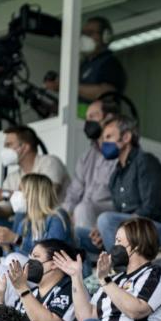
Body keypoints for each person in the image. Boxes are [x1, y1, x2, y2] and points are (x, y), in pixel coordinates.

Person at [87, 115, 161, 252]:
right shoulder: (115, 177)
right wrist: (102, 232)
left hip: (156, 229)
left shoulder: (146, 161)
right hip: (129, 233)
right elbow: (119, 213)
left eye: (109, 137)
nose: (103, 143)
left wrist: (116, 225)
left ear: (126, 137)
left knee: (105, 220)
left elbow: (151, 208)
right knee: (79, 235)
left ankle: (122, 268)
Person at [0, 126, 69, 236]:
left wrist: (4, 193)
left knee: (22, 212)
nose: (4, 150)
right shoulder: (12, 177)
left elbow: (46, 196)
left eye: (9, 145)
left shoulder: (50, 162)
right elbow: (5, 212)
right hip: (20, 226)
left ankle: (18, 249)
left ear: (25, 147)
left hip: (48, 222)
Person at [0, 239, 76, 321]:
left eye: (36, 257)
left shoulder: (70, 288)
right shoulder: (31, 293)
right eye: (30, 257)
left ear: (54, 263)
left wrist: (22, 288)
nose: (29, 262)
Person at [63, 98, 117, 230]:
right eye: (87, 118)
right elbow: (73, 192)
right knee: (58, 214)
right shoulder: (85, 157)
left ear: (108, 117)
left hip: (110, 210)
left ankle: (85, 249)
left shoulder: (118, 152)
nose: (88, 121)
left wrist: (78, 210)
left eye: (93, 116)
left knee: (83, 208)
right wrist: (65, 212)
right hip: (84, 211)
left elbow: (107, 194)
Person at [0, 173, 72, 255]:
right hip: (30, 267)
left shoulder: (57, 217)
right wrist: (6, 246)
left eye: (21, 191)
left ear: (34, 195)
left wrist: (16, 239)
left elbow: (49, 253)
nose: (16, 195)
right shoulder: (25, 221)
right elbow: (16, 258)